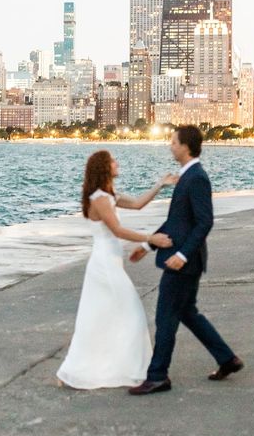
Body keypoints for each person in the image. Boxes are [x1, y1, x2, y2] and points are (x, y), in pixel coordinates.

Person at [128, 125, 244, 395]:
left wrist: (181, 255)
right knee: (188, 313)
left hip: (184, 262)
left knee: (166, 317)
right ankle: (227, 359)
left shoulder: (196, 178)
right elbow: (176, 222)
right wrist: (147, 244)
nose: (170, 145)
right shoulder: (186, 176)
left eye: (173, 141)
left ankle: (158, 375)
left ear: (186, 146)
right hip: (183, 259)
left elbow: (204, 222)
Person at [56, 150, 176, 389]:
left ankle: (88, 368)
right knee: (131, 313)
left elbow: (139, 204)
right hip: (104, 265)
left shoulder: (108, 195)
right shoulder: (99, 199)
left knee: (101, 317)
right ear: (103, 167)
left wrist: (160, 185)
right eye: (112, 161)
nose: (117, 163)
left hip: (109, 262)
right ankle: (124, 368)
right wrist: (151, 239)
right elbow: (118, 231)